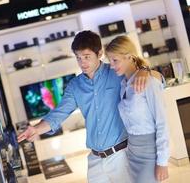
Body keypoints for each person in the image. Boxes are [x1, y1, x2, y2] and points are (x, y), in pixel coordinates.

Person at [17, 30, 160, 183]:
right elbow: (58, 113)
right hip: (95, 160)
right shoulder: (75, 86)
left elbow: (159, 80)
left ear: (99, 54)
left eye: (86, 57)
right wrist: (36, 129)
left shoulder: (116, 72)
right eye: (78, 58)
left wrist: (144, 71)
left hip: (122, 155)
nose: (82, 63)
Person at [105, 36, 169, 183]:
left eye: (115, 60)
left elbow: (162, 123)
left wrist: (163, 161)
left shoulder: (150, 82)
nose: (112, 66)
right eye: (110, 61)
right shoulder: (123, 84)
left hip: (150, 152)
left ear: (130, 57)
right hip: (132, 151)